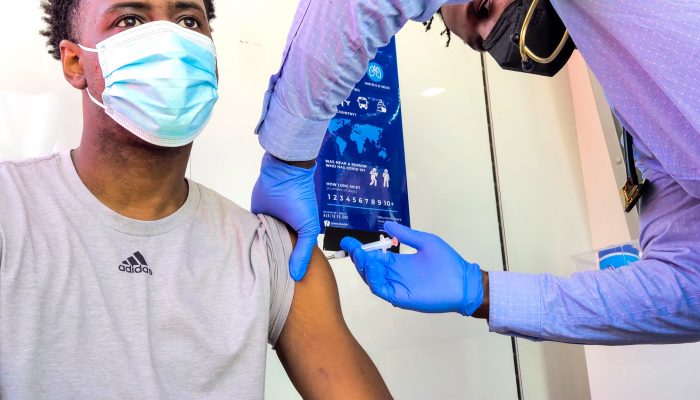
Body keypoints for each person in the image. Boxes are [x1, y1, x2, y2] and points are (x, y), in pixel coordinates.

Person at [0, 0, 394, 398]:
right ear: (74, 62)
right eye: (130, 20)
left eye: (189, 20)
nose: (171, 41)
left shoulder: (272, 252)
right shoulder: (10, 211)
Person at [254, 0, 700, 344]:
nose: (493, 34)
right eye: (482, 43)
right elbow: (689, 285)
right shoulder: (637, 98)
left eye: (484, 8)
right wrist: (480, 291)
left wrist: (289, 160)